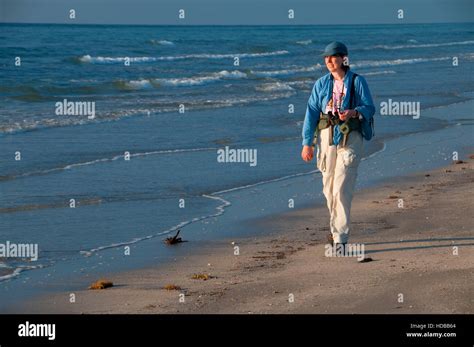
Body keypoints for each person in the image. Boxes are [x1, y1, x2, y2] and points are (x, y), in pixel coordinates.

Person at [301, 41, 375, 251]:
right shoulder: (321, 84)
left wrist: (353, 112)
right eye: (326, 58)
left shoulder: (357, 81)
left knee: (342, 187)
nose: (329, 61)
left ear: (344, 58)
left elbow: (370, 108)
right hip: (326, 138)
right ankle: (335, 229)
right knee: (329, 188)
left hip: (350, 136)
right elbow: (311, 114)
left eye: (333, 57)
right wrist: (308, 143)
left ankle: (340, 238)